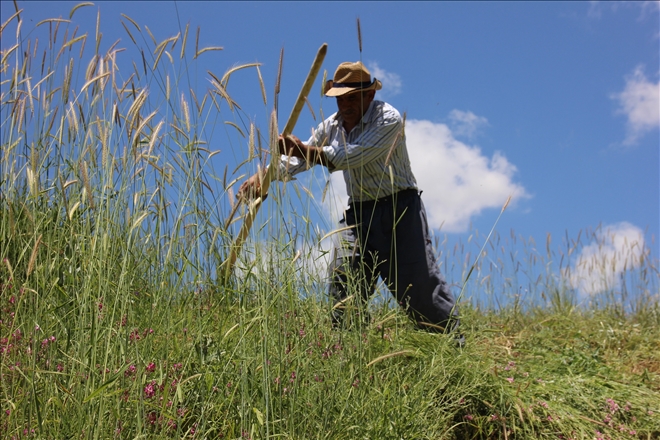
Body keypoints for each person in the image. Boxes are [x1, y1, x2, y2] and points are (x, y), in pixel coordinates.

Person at [239, 61, 460, 336]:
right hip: (359, 215)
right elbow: (296, 161)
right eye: (340, 99)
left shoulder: (388, 119)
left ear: (370, 95)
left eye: (352, 98)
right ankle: (347, 349)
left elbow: (349, 157)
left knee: (419, 286)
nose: (345, 106)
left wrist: (302, 150)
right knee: (343, 280)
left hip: (401, 210)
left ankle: (451, 344)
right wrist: (263, 177)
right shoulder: (331, 126)